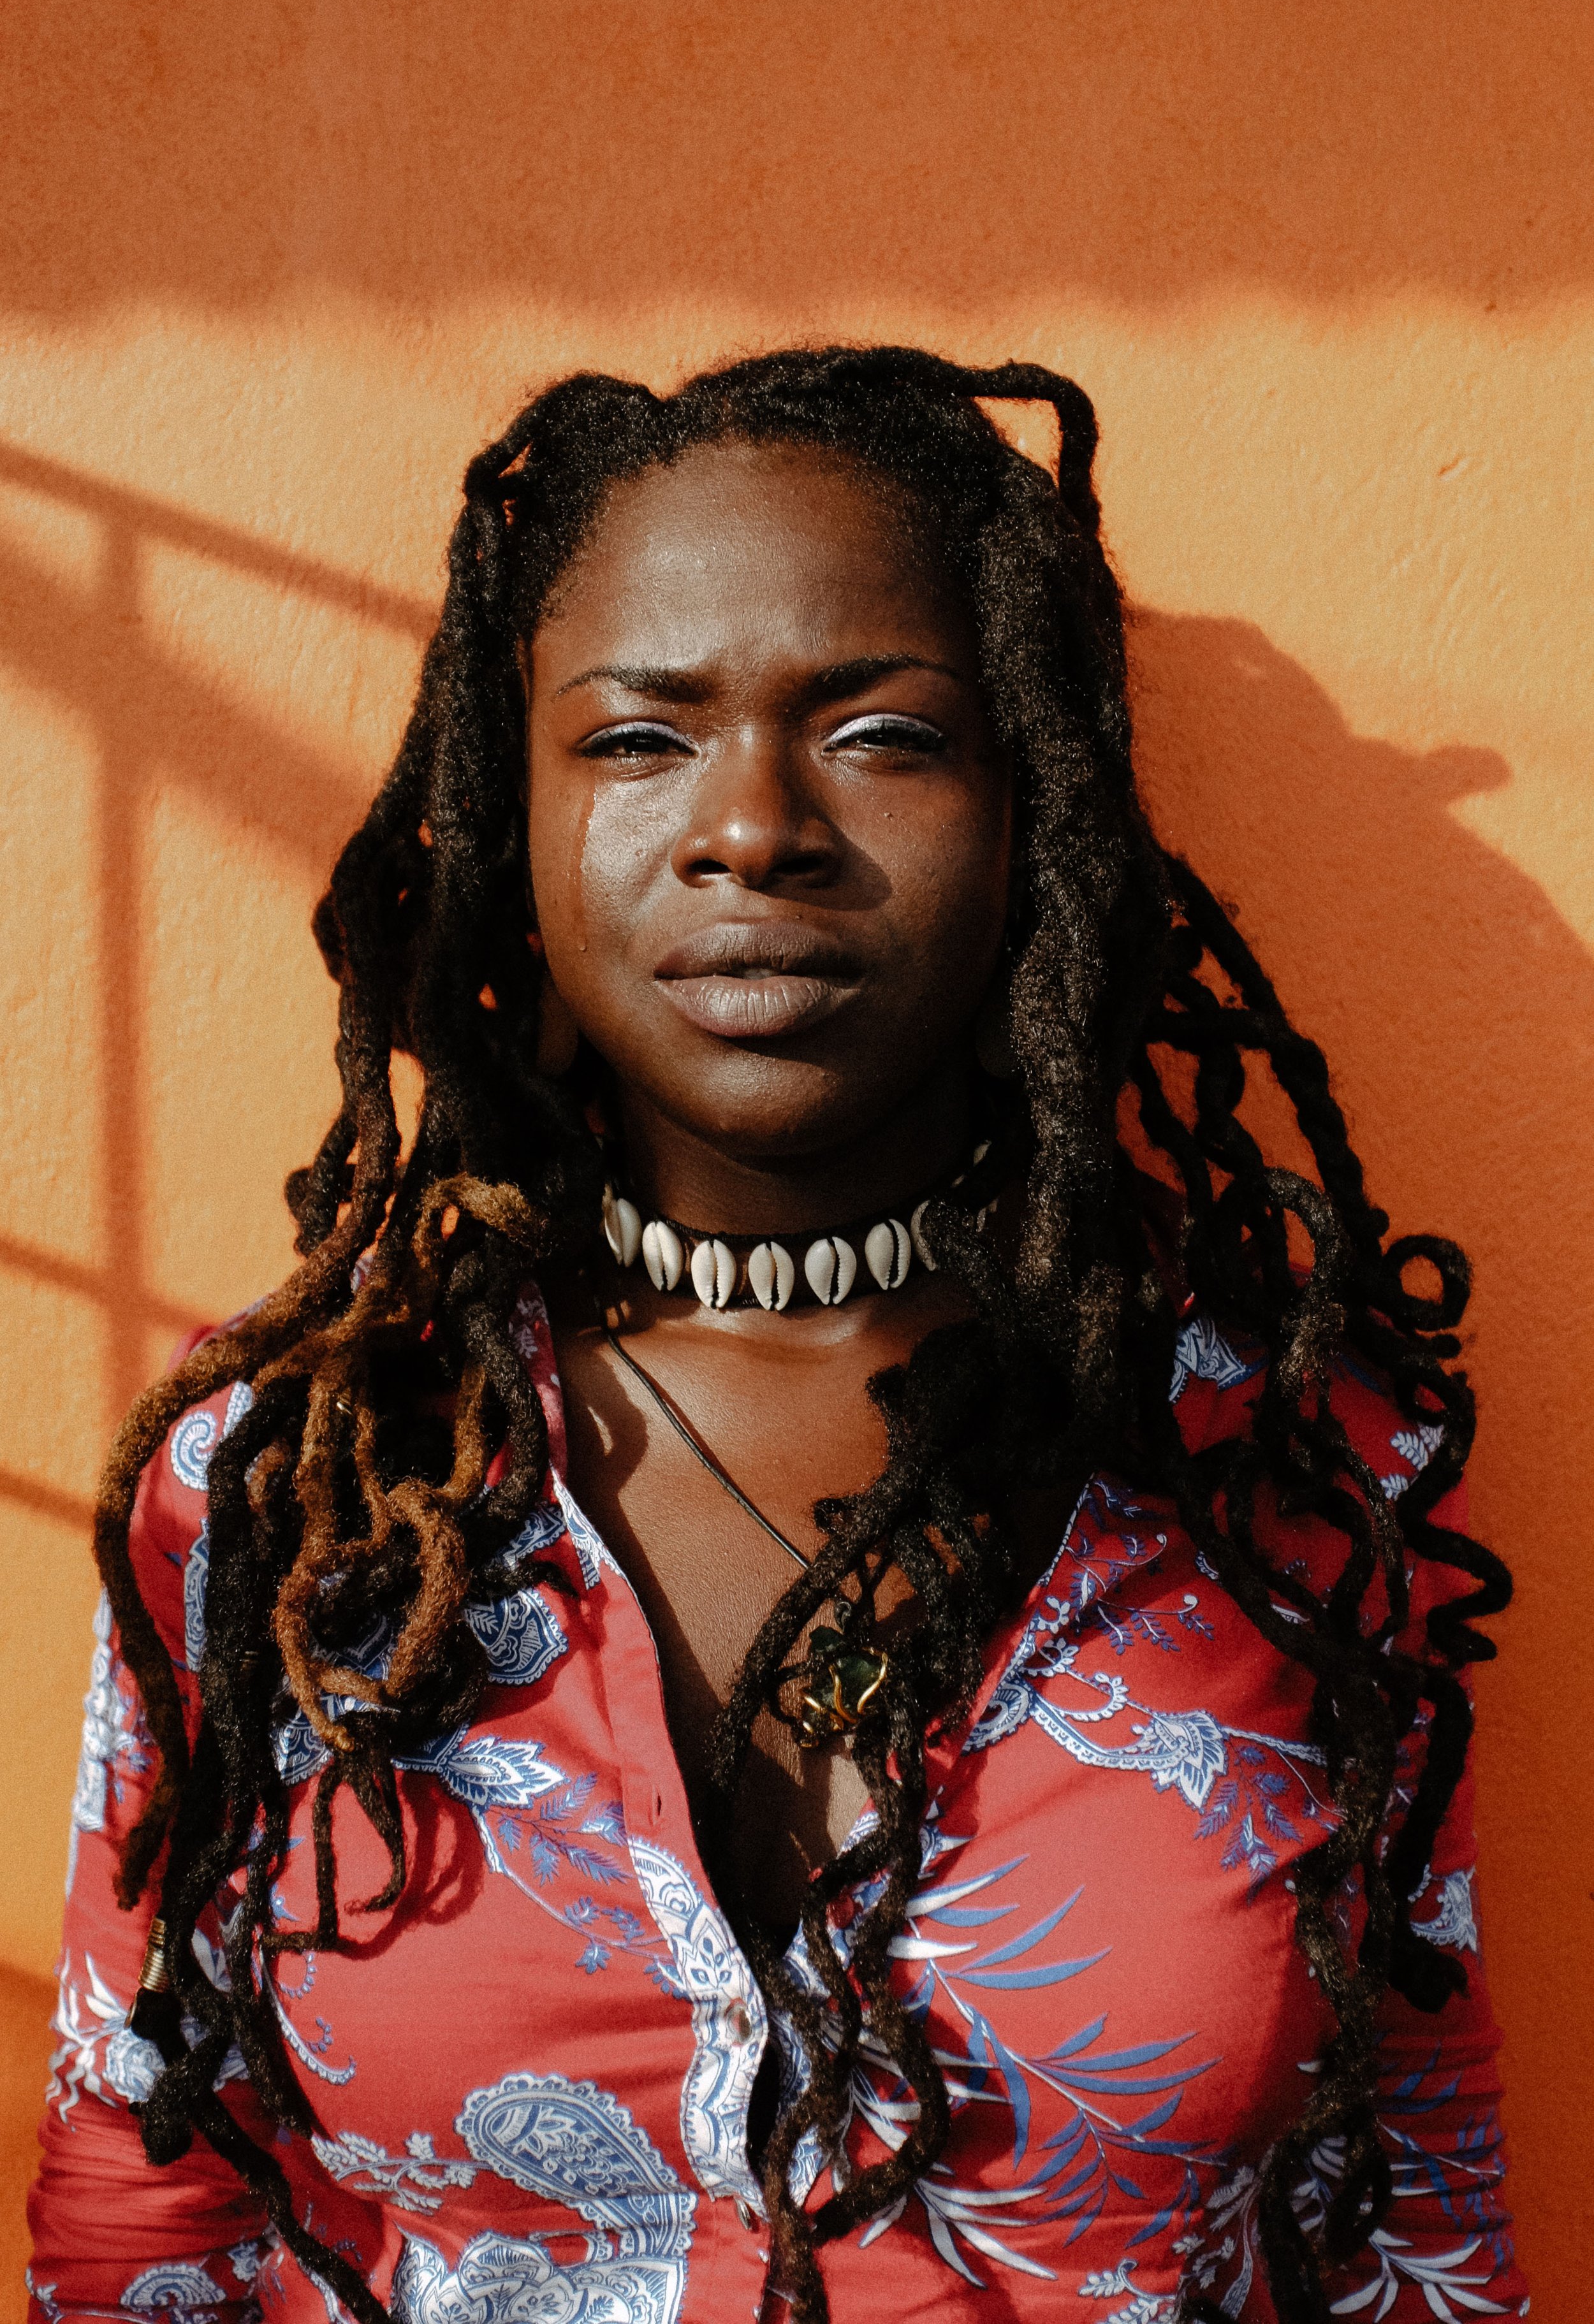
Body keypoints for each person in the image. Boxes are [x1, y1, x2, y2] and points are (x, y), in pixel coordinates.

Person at [27, 347, 1525, 2324]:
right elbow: (146, 2205)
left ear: (1035, 815)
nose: (752, 829)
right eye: (639, 740)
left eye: (883, 734)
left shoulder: (1275, 1463)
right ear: (510, 817)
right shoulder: (296, 1478)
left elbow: (1409, 2205)